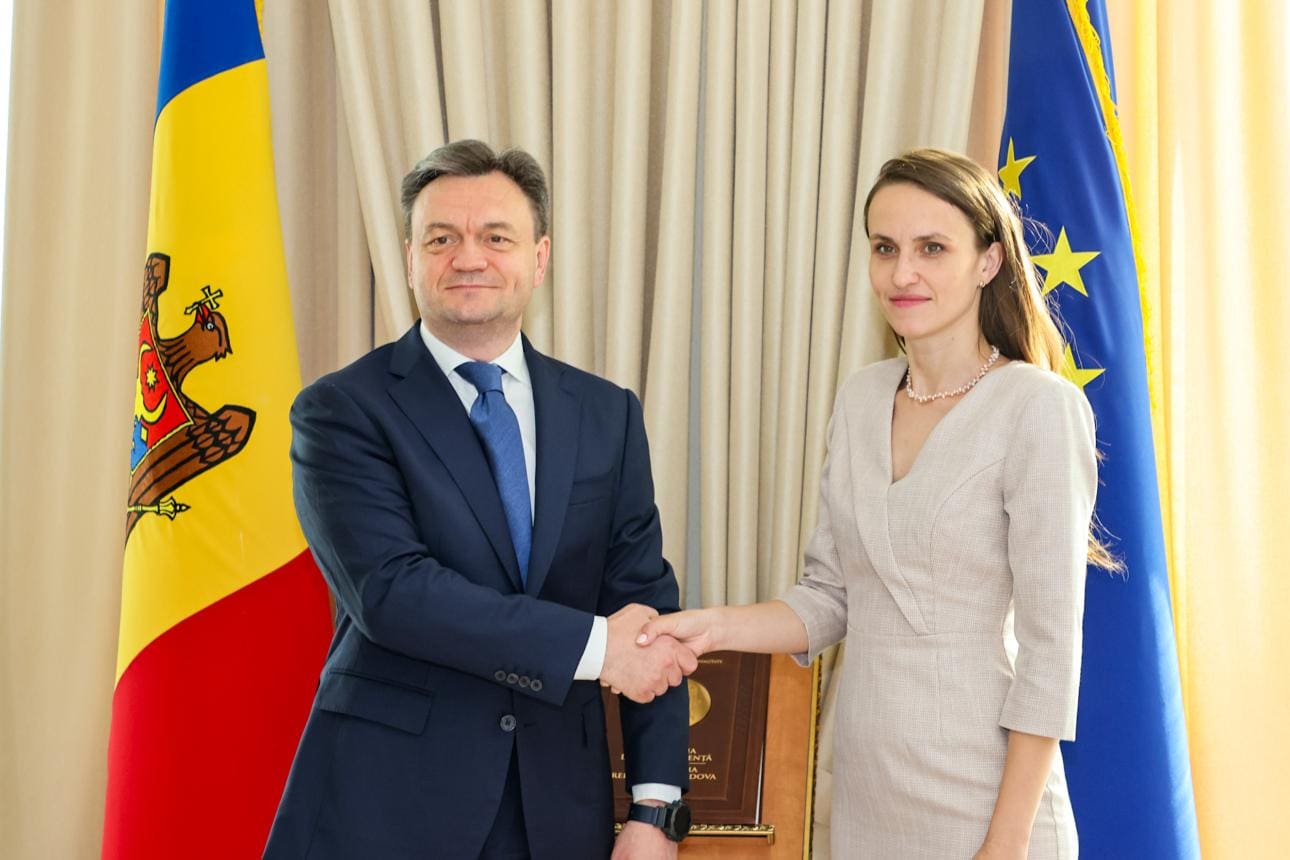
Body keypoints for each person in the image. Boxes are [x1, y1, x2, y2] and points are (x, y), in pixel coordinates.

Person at [638, 148, 1107, 858]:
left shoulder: (1038, 407)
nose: (902, 272)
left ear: (988, 261)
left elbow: (1052, 653)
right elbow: (830, 598)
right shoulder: (861, 397)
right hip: (864, 796)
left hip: (989, 803)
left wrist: (1007, 842)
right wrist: (711, 627)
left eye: (932, 248)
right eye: (885, 248)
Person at [265, 140, 693, 860]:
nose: (469, 258)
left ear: (539, 258)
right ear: (410, 260)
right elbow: (395, 594)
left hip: (559, 813)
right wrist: (596, 648)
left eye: (497, 237)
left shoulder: (606, 414)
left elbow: (646, 610)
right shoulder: (341, 411)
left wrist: (656, 809)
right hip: (388, 810)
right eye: (442, 239)